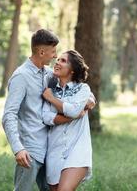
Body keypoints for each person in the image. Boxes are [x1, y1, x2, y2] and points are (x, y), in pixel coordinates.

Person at [2, 29, 95, 191]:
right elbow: (9, 115)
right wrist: (18, 149)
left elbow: (77, 85)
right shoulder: (21, 76)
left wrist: (91, 100)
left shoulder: (49, 74)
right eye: (53, 52)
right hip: (30, 150)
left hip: (50, 149)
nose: (54, 56)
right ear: (41, 51)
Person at [42, 50, 94, 191]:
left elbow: (74, 111)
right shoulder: (50, 89)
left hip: (78, 148)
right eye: (58, 59)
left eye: (63, 61)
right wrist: (73, 115)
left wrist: (52, 100)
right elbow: (46, 117)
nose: (57, 62)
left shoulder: (83, 89)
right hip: (54, 149)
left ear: (72, 70)